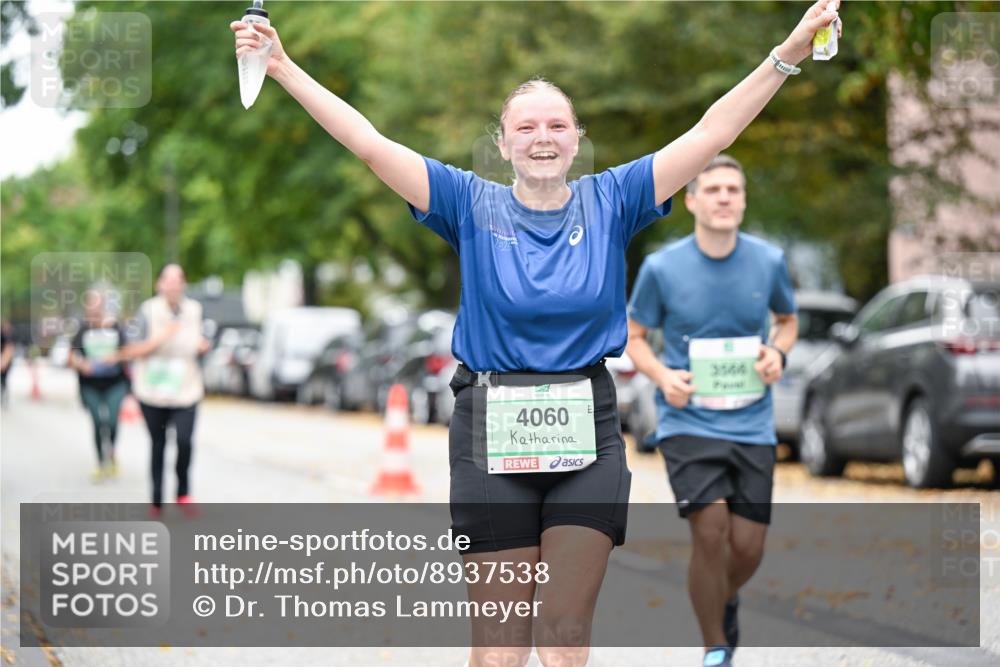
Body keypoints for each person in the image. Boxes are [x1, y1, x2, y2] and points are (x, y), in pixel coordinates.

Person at [231, 3, 838, 665]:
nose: (541, 137)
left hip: (586, 430)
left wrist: (789, 52)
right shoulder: (467, 202)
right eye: (526, 126)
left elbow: (713, 127)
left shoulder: (615, 198)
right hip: (491, 428)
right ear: (504, 142)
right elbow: (369, 142)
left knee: (566, 633)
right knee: (499, 649)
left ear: (578, 137)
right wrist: (284, 67)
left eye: (556, 125)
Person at [625, 155, 799, 667]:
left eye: (734, 190)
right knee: (710, 531)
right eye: (714, 189)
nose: (725, 197)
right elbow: (634, 338)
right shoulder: (662, 267)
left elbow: (786, 321)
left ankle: (720, 592)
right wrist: (663, 377)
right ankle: (715, 648)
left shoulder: (767, 261)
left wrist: (778, 353)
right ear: (693, 200)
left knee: (747, 547)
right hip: (687, 421)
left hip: (752, 421)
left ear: (743, 201)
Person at [119, 265, 210, 518]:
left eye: (177, 280)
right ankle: (157, 500)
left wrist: (202, 346)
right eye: (167, 280)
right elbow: (131, 349)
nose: (172, 285)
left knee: (184, 441)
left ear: (184, 284)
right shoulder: (147, 311)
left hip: (186, 389)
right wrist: (162, 337)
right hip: (153, 391)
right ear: (159, 284)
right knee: (158, 444)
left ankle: (183, 492)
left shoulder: (195, 310)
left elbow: (200, 340)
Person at [68, 290, 131, 481]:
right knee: (97, 421)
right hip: (90, 384)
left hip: (115, 383)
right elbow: (70, 357)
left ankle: (111, 452)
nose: (94, 310)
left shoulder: (115, 328)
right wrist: (81, 364)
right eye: (91, 305)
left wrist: (115, 357)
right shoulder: (82, 330)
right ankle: (100, 462)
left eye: (98, 305)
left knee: (111, 421)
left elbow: (128, 352)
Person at [0, 320, 14, 407]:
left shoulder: (4, 335)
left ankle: (4, 397)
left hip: (4, 361)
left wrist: (3, 362)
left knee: (3, 380)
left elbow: (9, 348)